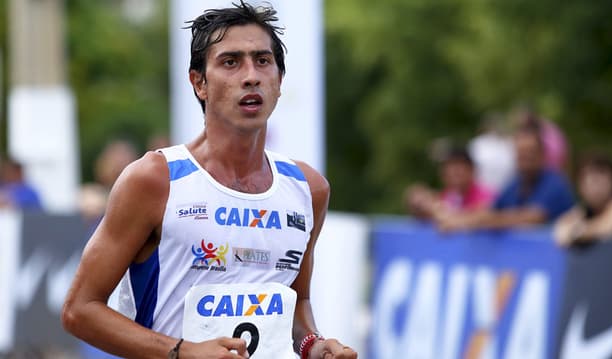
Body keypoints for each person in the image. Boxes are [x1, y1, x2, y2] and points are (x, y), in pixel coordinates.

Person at [62, 3, 357, 359]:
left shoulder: (308, 188)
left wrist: (313, 344)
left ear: (279, 81)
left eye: (263, 61)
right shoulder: (156, 180)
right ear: (199, 82)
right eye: (231, 62)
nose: (251, 76)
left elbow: (296, 302)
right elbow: (80, 310)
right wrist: (181, 351)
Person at [435, 125, 574, 231]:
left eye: (530, 153)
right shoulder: (515, 184)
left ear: (542, 155)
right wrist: (456, 219)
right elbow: (491, 210)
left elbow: (532, 217)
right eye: (520, 153)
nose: (525, 159)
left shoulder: (556, 184)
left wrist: (467, 222)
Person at [554, 152, 612, 247]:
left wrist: (578, 232)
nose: (595, 186)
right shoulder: (584, 210)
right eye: (588, 180)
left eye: (600, 179)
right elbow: (561, 233)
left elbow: (610, 226)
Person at [405, 147, 494, 219]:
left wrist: (436, 210)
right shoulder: (448, 195)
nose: (452, 172)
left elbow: (486, 214)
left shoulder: (485, 195)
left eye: (458, 166)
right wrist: (421, 206)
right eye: (447, 167)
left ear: (472, 169)